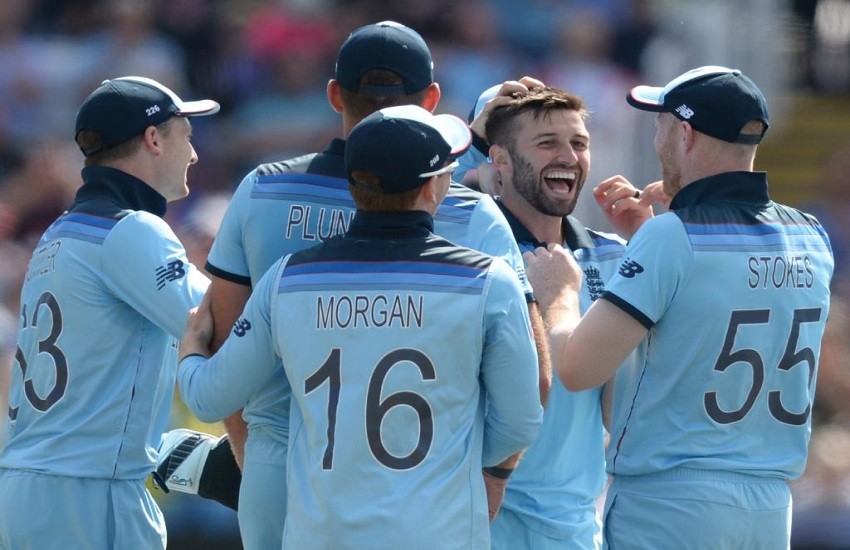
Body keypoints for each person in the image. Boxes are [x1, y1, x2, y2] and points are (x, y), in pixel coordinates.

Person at [159, 20, 548, 549]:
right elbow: (529, 393)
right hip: (431, 485)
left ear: (334, 94)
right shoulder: (473, 226)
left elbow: (223, 354)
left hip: (293, 469)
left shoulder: (267, 206)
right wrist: (488, 472)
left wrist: (250, 451)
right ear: (431, 99)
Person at [524, 66, 834, 548]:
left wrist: (559, 293)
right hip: (772, 507)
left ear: (684, 134)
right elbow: (715, 303)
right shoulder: (811, 235)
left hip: (671, 504)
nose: (656, 139)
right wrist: (646, 245)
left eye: (660, 124)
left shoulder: (671, 236)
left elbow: (578, 367)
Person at [0, 76, 219, 549]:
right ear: (153, 138)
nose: (194, 154)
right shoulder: (131, 229)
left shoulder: (57, 233)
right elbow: (214, 325)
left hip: (28, 489)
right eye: (186, 135)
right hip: (88, 495)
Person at [460, 84, 658, 549]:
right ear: (498, 159)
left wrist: (651, 250)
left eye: (579, 142)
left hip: (573, 529)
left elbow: (626, 411)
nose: (568, 156)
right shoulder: (461, 256)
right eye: (547, 142)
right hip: (480, 522)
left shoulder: (616, 256)